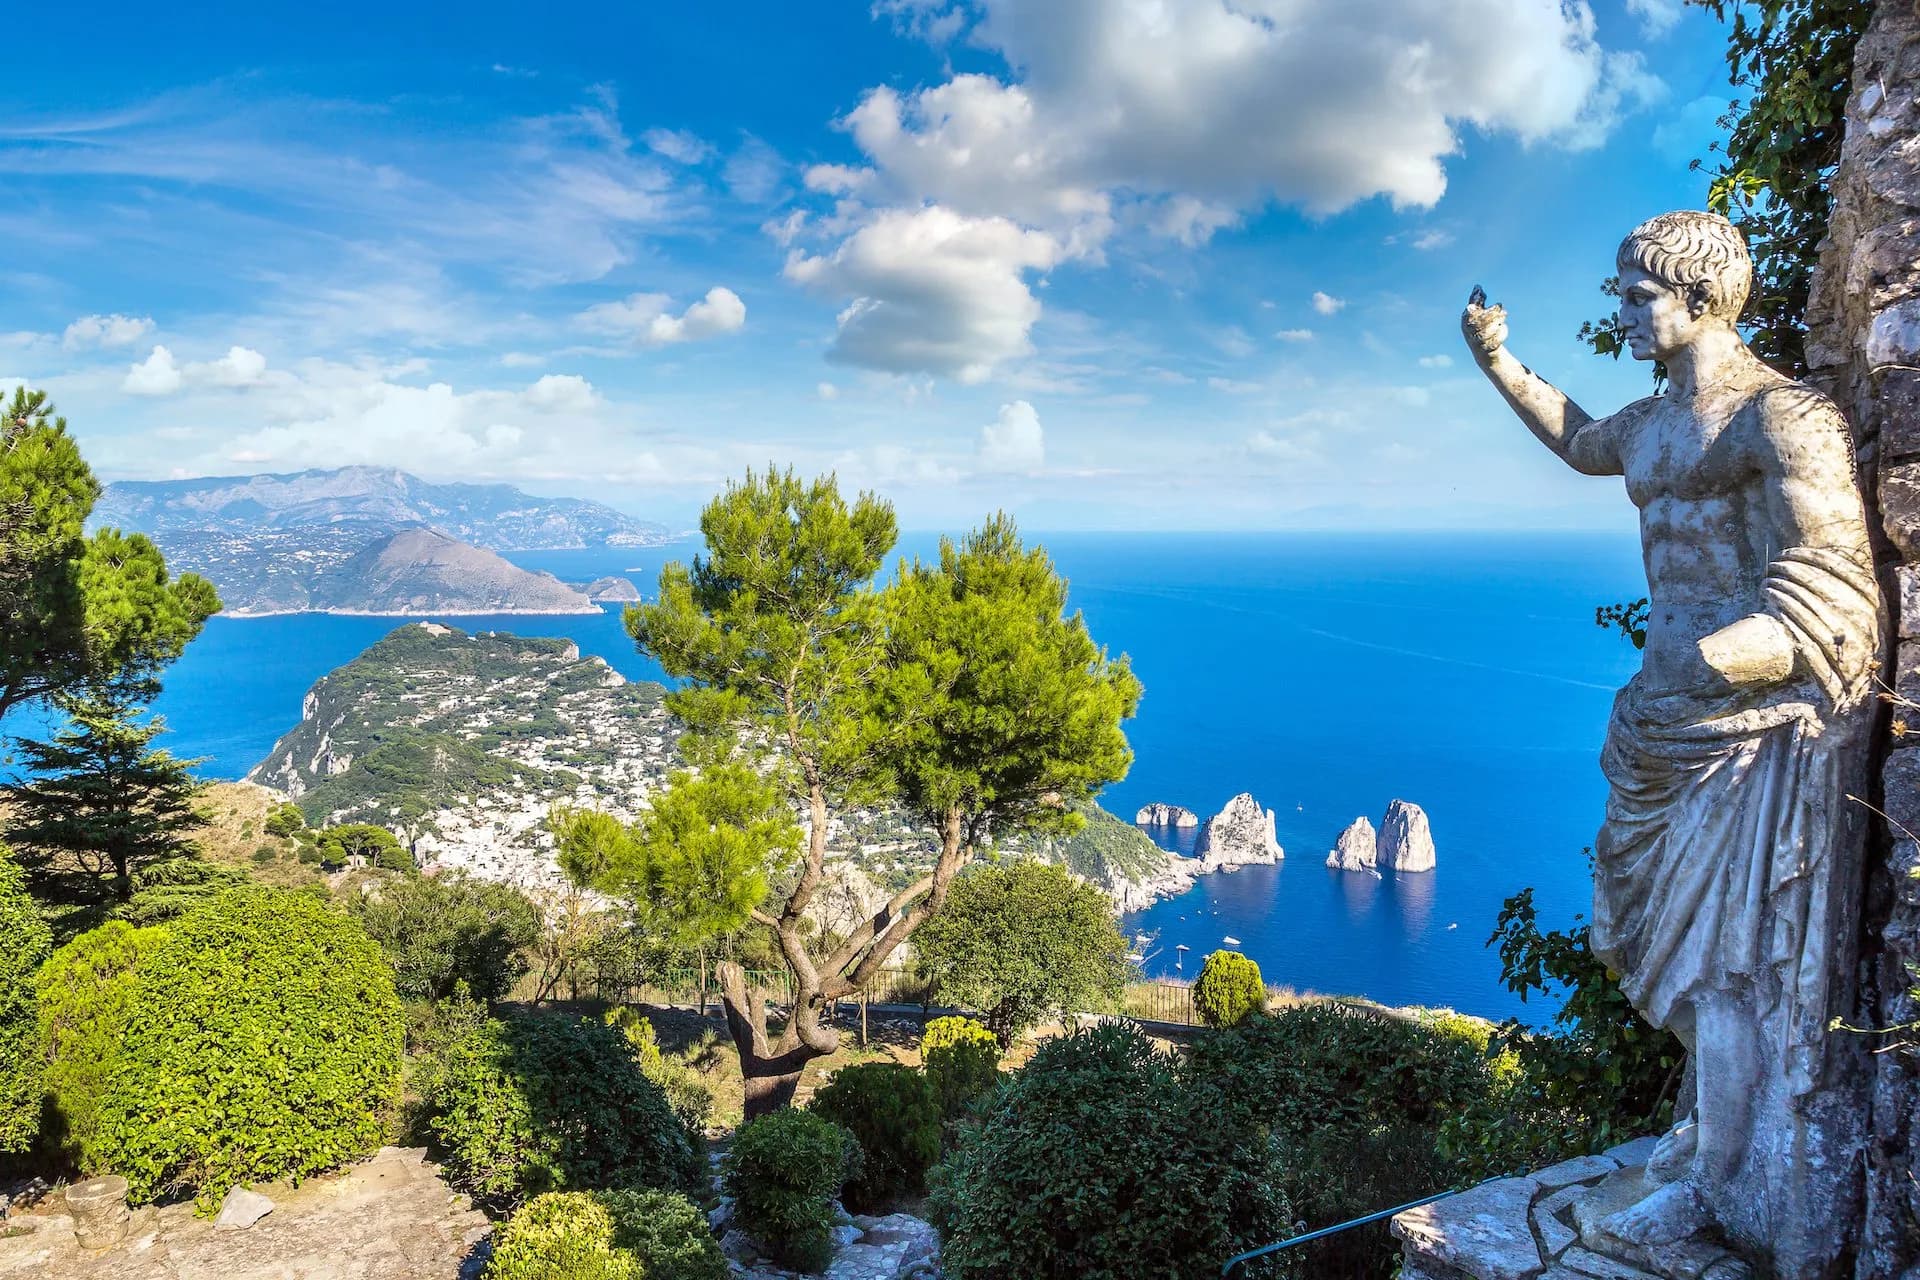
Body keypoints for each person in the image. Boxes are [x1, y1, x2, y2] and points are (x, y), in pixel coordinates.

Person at [1462, 210, 1881, 1275]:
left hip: (1742, 729)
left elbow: (1834, 590)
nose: (1622, 312)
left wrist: (1717, 663)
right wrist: (1498, 361)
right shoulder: (1651, 425)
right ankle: (1708, 1135)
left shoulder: (1783, 418)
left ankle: (1719, 1179)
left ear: (1702, 297)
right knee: (1656, 943)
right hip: (1660, 722)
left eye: (1638, 295)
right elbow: (1576, 438)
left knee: (1725, 959)